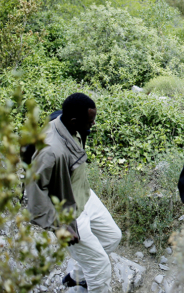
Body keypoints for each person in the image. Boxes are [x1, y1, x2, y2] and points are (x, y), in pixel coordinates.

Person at [27, 94, 122, 293]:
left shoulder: (70, 124)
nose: (93, 124)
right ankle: (93, 282)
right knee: (100, 266)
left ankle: (77, 276)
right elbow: (35, 193)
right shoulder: (50, 151)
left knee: (112, 237)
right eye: (90, 121)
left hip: (83, 195)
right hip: (69, 213)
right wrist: (59, 226)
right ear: (74, 121)